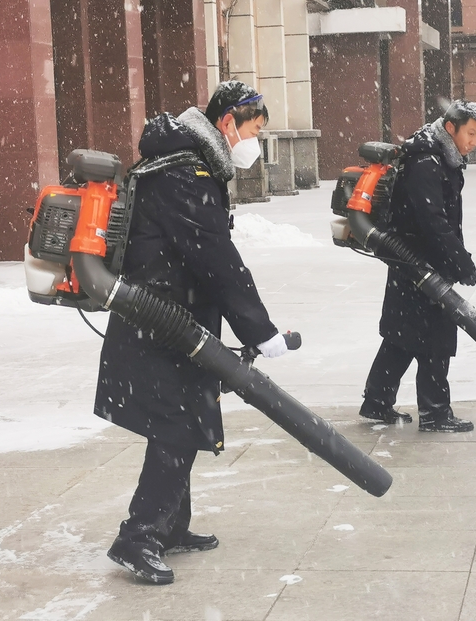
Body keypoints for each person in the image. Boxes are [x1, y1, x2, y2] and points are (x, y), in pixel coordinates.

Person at [94, 80, 288, 585]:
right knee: (176, 428)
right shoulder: (187, 171)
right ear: (228, 123)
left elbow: (205, 255)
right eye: (254, 130)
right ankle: (138, 539)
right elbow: (215, 258)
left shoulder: (188, 163)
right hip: (158, 321)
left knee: (183, 423)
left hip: (172, 319)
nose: (255, 142)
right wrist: (260, 330)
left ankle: (171, 527)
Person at [359, 101, 476, 433]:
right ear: (451, 128)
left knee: (403, 335)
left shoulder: (437, 156)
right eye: (470, 134)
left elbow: (438, 222)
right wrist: (462, 263)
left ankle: (376, 403)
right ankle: (435, 413)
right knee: (434, 340)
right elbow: (434, 222)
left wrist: (457, 262)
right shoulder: (427, 162)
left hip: (414, 262)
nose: (473, 142)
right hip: (418, 263)